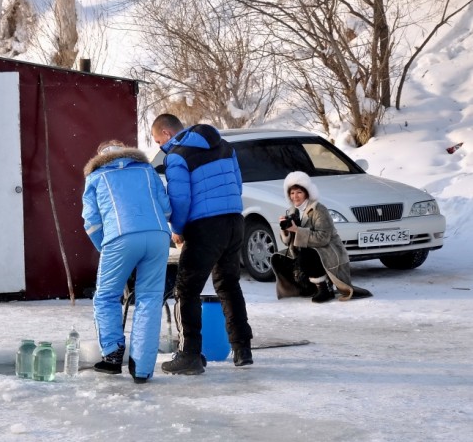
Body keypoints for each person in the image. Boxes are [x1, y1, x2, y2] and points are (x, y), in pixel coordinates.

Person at [151, 114, 254, 374]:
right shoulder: (224, 145)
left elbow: (180, 199)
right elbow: (238, 184)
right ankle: (242, 349)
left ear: (166, 132)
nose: (158, 145)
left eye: (156, 140)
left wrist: (178, 229)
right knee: (228, 285)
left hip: (205, 226)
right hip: (234, 221)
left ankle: (189, 355)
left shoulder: (176, 156)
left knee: (186, 289)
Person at [82, 139, 172, 384]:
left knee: (106, 296)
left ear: (101, 156)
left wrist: (106, 248)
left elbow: (91, 222)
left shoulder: (97, 177)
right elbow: (166, 208)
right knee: (150, 298)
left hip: (119, 237)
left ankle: (112, 356)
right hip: (158, 235)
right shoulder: (146, 170)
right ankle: (142, 369)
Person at [271, 171, 373, 303]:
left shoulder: (319, 210)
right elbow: (287, 242)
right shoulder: (292, 211)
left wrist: (298, 230)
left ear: (307, 193)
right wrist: (286, 230)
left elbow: (323, 238)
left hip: (329, 251)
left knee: (306, 255)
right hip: (309, 250)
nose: (295, 196)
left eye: (299, 192)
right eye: (292, 193)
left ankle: (324, 288)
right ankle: (306, 287)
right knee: (279, 258)